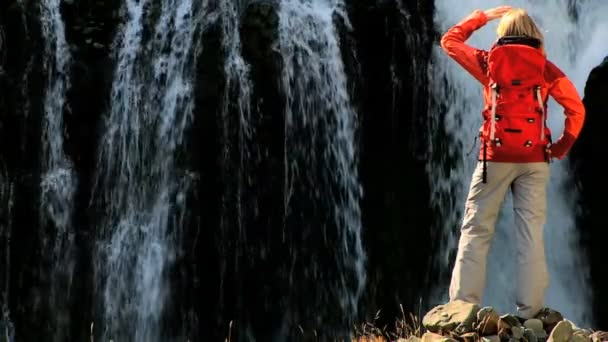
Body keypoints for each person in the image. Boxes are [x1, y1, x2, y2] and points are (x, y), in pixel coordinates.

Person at [440, 6, 586, 318]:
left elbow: (449, 41)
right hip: (535, 159)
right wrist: (561, 146)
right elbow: (576, 109)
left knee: (477, 231)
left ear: (502, 34)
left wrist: (481, 16)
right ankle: (529, 313)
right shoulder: (545, 69)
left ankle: (462, 308)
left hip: (494, 158)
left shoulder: (488, 62)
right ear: (535, 35)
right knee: (530, 234)